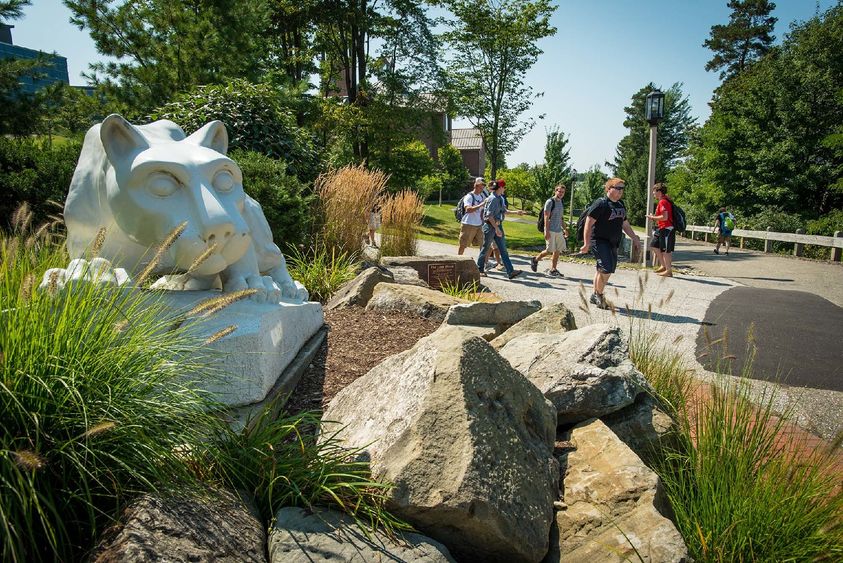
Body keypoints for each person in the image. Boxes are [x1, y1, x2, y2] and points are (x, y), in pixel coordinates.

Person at [579, 177, 641, 309]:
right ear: (609, 188)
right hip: (599, 241)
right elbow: (588, 224)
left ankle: (595, 294)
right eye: (617, 188)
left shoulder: (620, 205)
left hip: (613, 242)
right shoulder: (601, 204)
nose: (620, 191)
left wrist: (634, 237)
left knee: (602, 269)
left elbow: (625, 224)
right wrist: (586, 243)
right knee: (606, 269)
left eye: (622, 189)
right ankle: (600, 296)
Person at [477, 180, 521, 280]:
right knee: (485, 248)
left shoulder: (500, 198)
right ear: (500, 187)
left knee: (503, 250)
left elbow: (504, 211)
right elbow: (489, 216)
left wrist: (517, 212)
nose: (504, 189)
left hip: (497, 226)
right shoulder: (493, 199)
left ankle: (510, 271)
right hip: (490, 227)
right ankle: (479, 270)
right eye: (504, 187)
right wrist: (496, 228)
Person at [531, 184, 569, 277]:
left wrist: (565, 229)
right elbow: (546, 217)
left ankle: (553, 269)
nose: (561, 193)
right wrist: (546, 231)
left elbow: (560, 218)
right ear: (555, 191)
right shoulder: (550, 202)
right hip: (550, 230)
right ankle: (535, 259)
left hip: (558, 230)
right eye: (559, 191)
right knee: (549, 250)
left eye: (562, 192)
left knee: (558, 250)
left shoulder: (561, 202)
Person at [646, 183, 675, 277]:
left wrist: (653, 217)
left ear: (659, 191)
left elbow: (665, 217)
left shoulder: (663, 201)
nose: (653, 193)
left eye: (654, 191)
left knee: (666, 250)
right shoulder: (663, 200)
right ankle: (663, 265)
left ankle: (668, 270)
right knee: (654, 245)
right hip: (661, 228)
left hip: (667, 228)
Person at [457, 177, 488, 255]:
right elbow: (468, 209)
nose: (483, 187)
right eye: (481, 185)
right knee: (463, 245)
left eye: (484, 185)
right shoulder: (469, 196)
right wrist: (481, 204)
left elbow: (481, 210)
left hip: (479, 224)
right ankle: (458, 259)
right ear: (476, 185)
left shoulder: (481, 196)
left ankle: (483, 263)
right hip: (468, 224)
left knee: (484, 244)